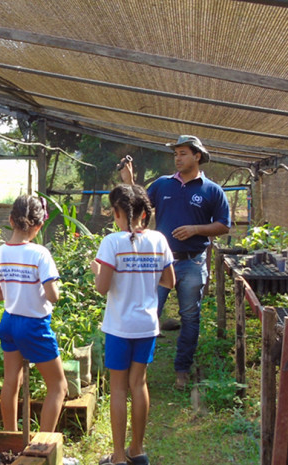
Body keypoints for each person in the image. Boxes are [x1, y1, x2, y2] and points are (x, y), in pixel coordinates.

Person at [120, 135, 230, 389]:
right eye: (175, 154)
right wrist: (130, 182)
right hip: (159, 264)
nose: (177, 158)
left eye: (182, 153)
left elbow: (224, 225)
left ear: (197, 156)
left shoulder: (212, 190)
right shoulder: (162, 185)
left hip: (192, 263)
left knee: (190, 317)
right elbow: (138, 208)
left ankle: (182, 369)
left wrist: (196, 229)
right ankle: (137, 372)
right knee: (148, 314)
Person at [91, 185, 175, 465]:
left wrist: (97, 271)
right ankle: (137, 450)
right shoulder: (159, 240)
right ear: (143, 213)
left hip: (119, 326)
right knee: (139, 384)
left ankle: (117, 457)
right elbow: (169, 281)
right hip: (147, 325)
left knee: (118, 388)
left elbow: (102, 288)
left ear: (117, 213)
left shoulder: (113, 242)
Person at [0, 194, 67, 432]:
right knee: (58, 386)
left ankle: (10, 438)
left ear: (11, 220)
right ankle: (43, 446)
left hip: (9, 322)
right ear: (39, 225)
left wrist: (14, 287)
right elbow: (52, 295)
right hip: (34, 325)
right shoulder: (39, 254)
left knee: (11, 382)